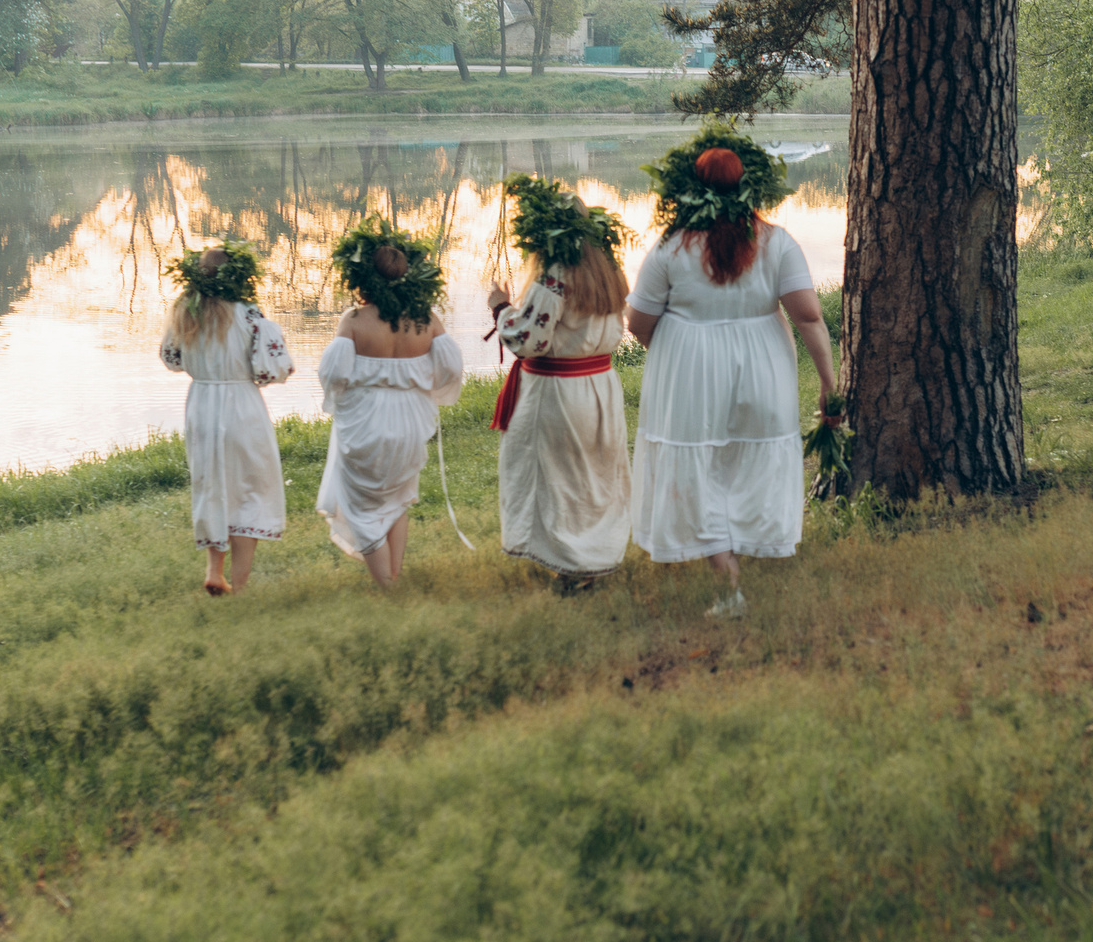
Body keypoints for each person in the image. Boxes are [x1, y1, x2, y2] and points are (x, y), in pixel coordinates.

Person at [625, 130, 839, 619]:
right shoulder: (777, 241)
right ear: (749, 187)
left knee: (699, 465)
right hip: (763, 362)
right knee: (747, 458)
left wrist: (677, 353)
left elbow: (637, 322)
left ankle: (727, 578)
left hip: (690, 367)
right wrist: (830, 384)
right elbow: (808, 316)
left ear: (691, 188)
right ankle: (735, 558)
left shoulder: (671, 248)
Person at [487, 174, 632, 584]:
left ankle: (573, 567)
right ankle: (594, 557)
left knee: (560, 478)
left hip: (558, 393)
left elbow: (528, 338)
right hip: (600, 385)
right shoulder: (609, 270)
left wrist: (500, 308)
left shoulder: (554, 274)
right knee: (592, 475)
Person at [316, 216, 465, 587]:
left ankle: (388, 586)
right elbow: (450, 368)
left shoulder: (353, 320)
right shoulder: (426, 318)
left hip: (366, 419)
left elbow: (333, 375)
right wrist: (422, 386)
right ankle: (394, 574)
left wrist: (349, 394)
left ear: (361, 279)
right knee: (398, 497)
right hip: (411, 418)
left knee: (361, 504)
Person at [157, 241, 293, 596]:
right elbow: (273, 372)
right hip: (242, 405)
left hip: (202, 404)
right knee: (250, 489)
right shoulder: (249, 315)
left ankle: (214, 571)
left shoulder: (185, 312)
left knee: (212, 484)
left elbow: (171, 361)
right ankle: (242, 584)